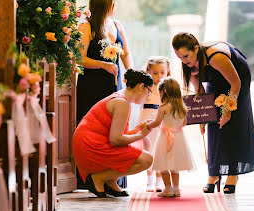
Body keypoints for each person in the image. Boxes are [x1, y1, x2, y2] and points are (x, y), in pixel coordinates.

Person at [172, 32, 254, 194]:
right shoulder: (188, 64)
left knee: (233, 122)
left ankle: (233, 174)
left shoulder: (216, 57)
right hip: (216, 79)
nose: (184, 61)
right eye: (180, 58)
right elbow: (200, 90)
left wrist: (227, 111)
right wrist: (203, 116)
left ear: (196, 49)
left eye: (186, 56)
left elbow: (235, 83)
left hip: (236, 77)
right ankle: (213, 174)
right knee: (213, 120)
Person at [76, 0, 133, 189]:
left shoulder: (117, 25)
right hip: (92, 84)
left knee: (114, 129)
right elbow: (79, 58)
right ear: (104, 5)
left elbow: (125, 53)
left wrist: (131, 73)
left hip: (113, 82)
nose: (115, 6)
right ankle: (91, 176)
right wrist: (102, 64)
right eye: (112, 2)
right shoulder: (86, 26)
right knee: (95, 130)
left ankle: (112, 178)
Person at [72, 69, 154, 198]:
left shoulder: (122, 99)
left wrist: (137, 130)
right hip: (90, 145)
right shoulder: (122, 103)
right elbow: (116, 140)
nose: (148, 97)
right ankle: (99, 178)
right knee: (147, 160)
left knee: (142, 144)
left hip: (91, 142)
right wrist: (141, 135)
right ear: (141, 87)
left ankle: (111, 180)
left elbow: (116, 134)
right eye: (148, 92)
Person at [147, 77, 195, 197]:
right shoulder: (182, 107)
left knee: (163, 166)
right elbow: (183, 123)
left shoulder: (163, 108)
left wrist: (148, 125)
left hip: (165, 137)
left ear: (165, 92)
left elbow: (157, 123)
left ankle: (168, 189)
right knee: (175, 166)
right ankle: (176, 189)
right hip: (179, 138)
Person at [138, 56, 170, 192]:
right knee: (148, 149)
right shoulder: (145, 88)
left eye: (162, 73)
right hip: (147, 119)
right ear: (148, 72)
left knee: (160, 149)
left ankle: (159, 180)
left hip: (162, 120)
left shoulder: (168, 88)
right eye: (155, 73)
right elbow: (139, 103)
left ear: (167, 72)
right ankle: (149, 180)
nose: (159, 76)